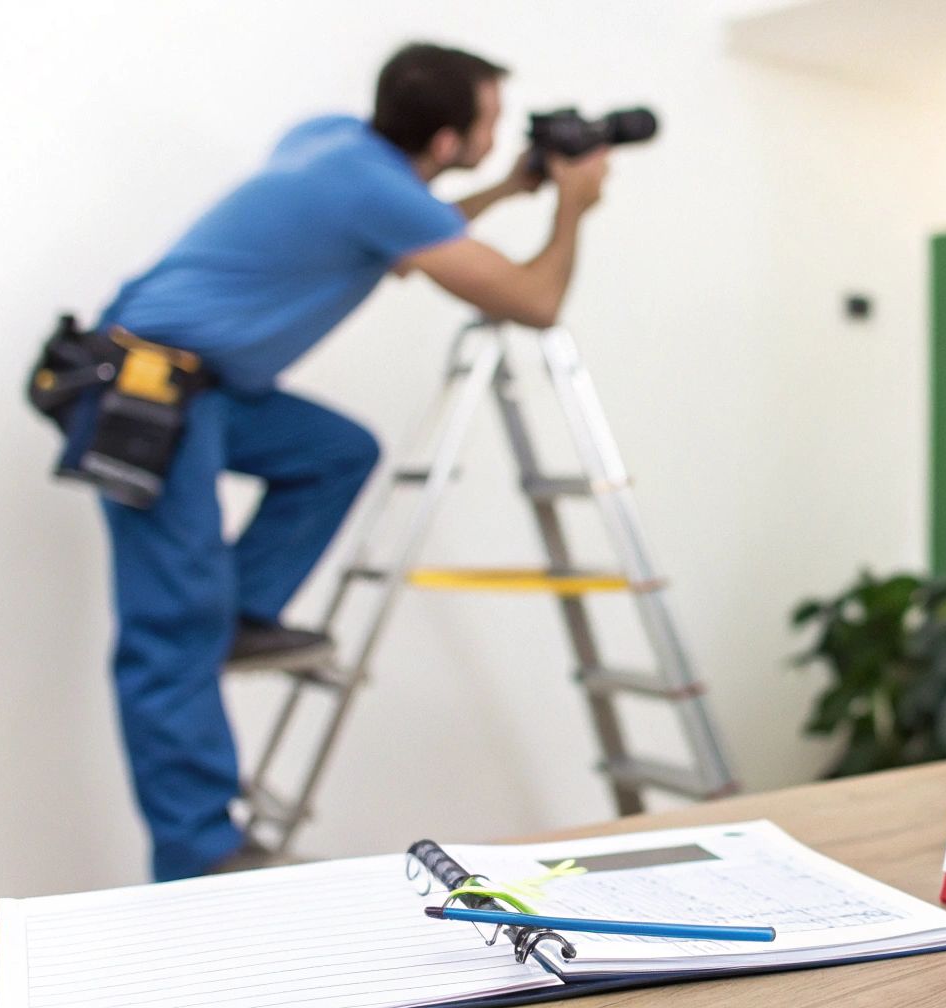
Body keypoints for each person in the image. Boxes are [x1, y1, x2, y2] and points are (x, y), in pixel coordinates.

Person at [91, 41, 610, 881]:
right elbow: (533, 301)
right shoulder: (379, 191)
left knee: (337, 451)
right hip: (144, 391)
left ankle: (241, 612)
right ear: (444, 141)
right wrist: (572, 205)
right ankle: (199, 851)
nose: (499, 133)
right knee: (169, 630)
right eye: (490, 122)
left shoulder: (331, 139)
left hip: (201, 380)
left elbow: (402, 232)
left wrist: (509, 187)